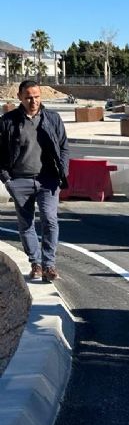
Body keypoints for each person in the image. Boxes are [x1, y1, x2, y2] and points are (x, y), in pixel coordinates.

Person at [0, 81, 69, 282]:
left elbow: (64, 147)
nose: (34, 101)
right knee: (26, 223)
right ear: (20, 97)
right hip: (19, 181)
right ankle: (36, 264)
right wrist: (7, 180)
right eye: (29, 97)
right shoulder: (7, 121)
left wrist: (62, 172)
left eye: (37, 96)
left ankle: (49, 265)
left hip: (48, 180)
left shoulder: (52, 119)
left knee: (50, 219)